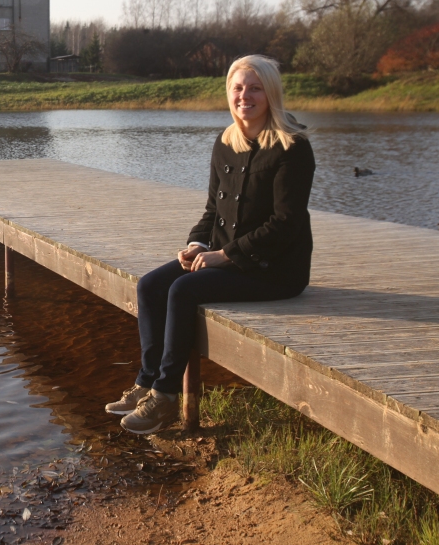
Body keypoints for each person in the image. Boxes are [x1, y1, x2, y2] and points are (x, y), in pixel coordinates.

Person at [107, 55, 315, 434]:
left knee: (184, 289)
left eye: (254, 88)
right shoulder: (226, 142)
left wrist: (224, 255)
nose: (244, 96)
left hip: (275, 270)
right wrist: (196, 244)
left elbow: (287, 223)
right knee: (151, 285)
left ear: (270, 93)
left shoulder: (292, 147)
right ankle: (147, 381)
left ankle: (166, 396)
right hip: (226, 256)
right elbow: (211, 209)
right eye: (238, 88)